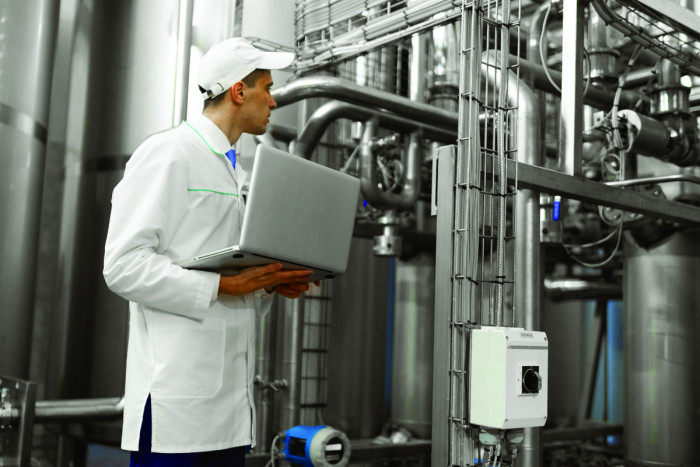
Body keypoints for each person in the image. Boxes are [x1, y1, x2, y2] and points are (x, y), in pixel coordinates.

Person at [103, 38, 312, 467]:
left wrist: (267, 284)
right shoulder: (168, 153)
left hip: (228, 411)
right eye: (266, 89)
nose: (274, 102)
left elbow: (226, 271)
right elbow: (123, 267)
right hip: (172, 411)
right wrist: (223, 286)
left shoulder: (237, 169)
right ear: (239, 91)